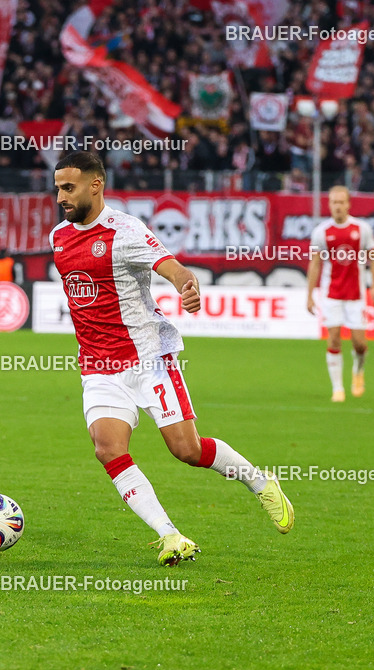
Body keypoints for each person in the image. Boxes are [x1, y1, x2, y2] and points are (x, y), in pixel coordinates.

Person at [50, 152, 294, 567]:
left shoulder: (125, 231)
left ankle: (260, 481)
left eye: (68, 188)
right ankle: (171, 535)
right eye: (57, 188)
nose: (60, 197)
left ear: (96, 184)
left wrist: (187, 285)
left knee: (186, 450)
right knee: (108, 449)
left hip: (148, 358)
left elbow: (171, 266)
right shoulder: (58, 236)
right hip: (98, 366)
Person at [306, 186, 374, 402]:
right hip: (332, 294)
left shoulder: (362, 229)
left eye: (341, 202)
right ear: (329, 205)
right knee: (334, 338)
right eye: (333, 202)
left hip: (356, 295)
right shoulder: (321, 232)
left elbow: (373, 257)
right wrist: (309, 294)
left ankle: (358, 371)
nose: (337, 206)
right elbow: (315, 264)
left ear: (348, 204)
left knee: (360, 343)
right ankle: (338, 388)